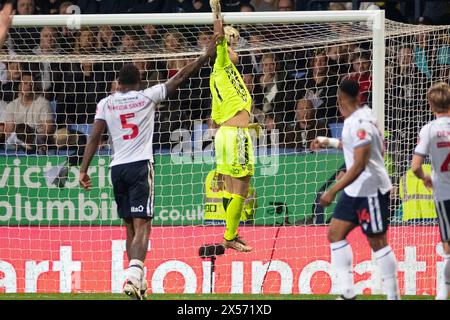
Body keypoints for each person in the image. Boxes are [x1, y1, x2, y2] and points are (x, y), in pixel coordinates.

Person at [79, 36, 217, 299]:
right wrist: (204, 56)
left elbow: (95, 137)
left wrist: (84, 169)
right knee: (144, 226)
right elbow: (178, 79)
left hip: (116, 168)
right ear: (138, 82)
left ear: (117, 84)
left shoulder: (106, 103)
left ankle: (138, 282)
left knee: (129, 226)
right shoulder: (146, 97)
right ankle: (132, 276)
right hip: (140, 166)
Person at [311, 79, 400, 300]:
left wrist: (332, 191)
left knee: (377, 242)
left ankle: (393, 295)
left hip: (370, 189)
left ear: (340, 98)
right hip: (355, 190)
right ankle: (348, 293)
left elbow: (359, 165)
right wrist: (327, 141)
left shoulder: (360, 122)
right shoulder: (361, 117)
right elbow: (351, 144)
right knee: (335, 234)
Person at [209, 0, 255, 252]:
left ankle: (232, 232)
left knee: (229, 184)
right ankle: (230, 235)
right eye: (230, 44)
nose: (234, 48)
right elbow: (218, 38)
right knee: (243, 184)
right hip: (236, 135)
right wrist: (217, 14)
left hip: (224, 135)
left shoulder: (222, 76)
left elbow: (215, 117)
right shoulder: (222, 63)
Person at [411, 82, 450, 300]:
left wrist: (425, 178)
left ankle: (442, 295)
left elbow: (416, 166)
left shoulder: (429, 129)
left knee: (448, 247)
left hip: (444, 193)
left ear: (430, 105)